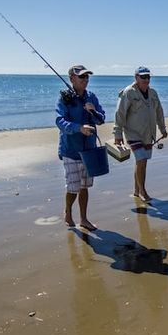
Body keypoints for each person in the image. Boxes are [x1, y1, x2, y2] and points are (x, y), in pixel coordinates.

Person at [56, 64, 106, 231]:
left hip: (89, 150)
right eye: (82, 77)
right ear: (72, 79)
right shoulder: (65, 98)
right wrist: (79, 128)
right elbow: (60, 121)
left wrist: (93, 112)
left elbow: (101, 119)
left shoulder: (91, 97)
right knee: (73, 187)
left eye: (87, 77)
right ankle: (68, 211)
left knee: (84, 187)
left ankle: (84, 219)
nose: (86, 80)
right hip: (70, 149)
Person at [113, 66, 167, 202]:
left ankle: (136, 190)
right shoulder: (128, 93)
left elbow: (159, 112)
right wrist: (117, 134)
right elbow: (120, 114)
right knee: (141, 160)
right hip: (133, 134)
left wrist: (162, 129)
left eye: (148, 77)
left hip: (149, 134)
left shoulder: (153, 93)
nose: (146, 79)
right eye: (143, 77)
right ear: (136, 77)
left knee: (142, 163)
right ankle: (143, 191)